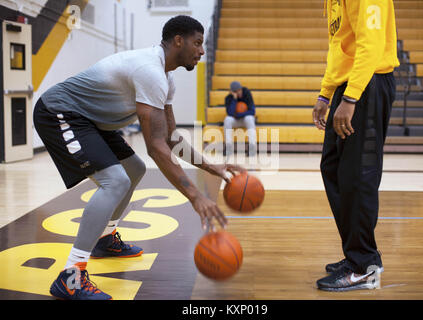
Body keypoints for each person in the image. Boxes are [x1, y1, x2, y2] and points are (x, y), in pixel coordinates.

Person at [33, 15, 244, 300]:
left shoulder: (166, 79)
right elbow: (156, 147)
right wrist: (195, 195)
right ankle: (71, 276)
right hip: (59, 112)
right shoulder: (150, 71)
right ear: (178, 41)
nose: (202, 51)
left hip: (91, 121)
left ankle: (105, 239)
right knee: (115, 181)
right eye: (197, 43)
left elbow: (171, 138)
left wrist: (210, 166)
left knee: (133, 170)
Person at [312, 0, 399, 291]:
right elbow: (339, 46)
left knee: (358, 177)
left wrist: (350, 99)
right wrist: (326, 94)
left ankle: (364, 266)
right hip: (348, 85)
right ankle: (356, 252)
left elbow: (370, 46)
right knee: (334, 169)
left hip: (367, 85)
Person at [223, 81, 257, 157]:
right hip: (235, 120)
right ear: (232, 92)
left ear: (241, 89)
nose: (238, 92)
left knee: (250, 119)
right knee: (227, 120)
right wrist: (234, 99)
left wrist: (239, 114)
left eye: (239, 90)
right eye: (236, 91)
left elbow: (252, 111)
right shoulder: (228, 98)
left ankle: (252, 147)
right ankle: (228, 146)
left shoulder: (247, 94)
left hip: (245, 119)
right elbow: (230, 113)